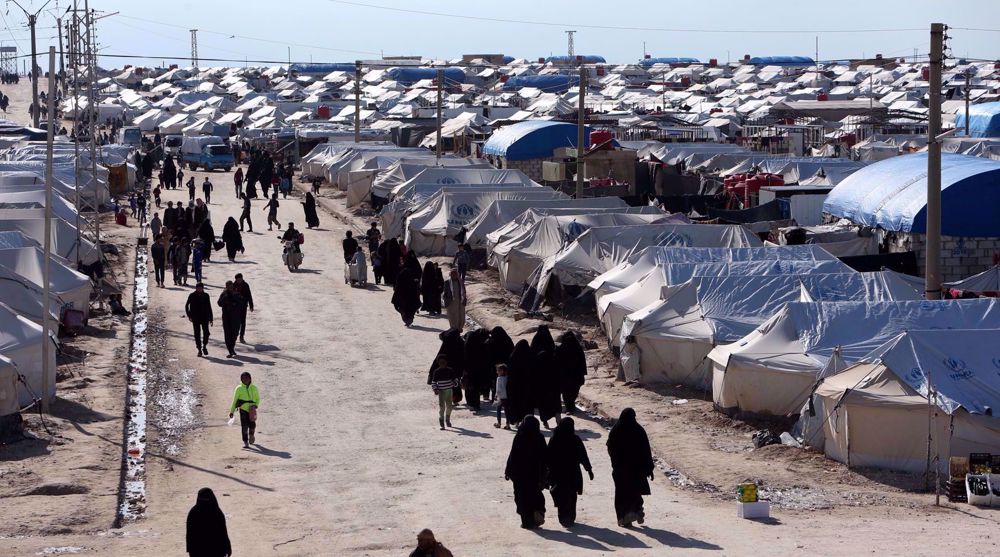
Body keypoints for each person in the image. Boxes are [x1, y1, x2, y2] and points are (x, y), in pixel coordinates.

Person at [606, 408, 655, 528]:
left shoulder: (616, 430)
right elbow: (646, 451)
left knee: (622, 494)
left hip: (620, 469)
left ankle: (625, 518)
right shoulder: (639, 430)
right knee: (635, 491)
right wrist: (649, 468)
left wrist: (615, 462)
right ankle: (637, 510)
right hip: (637, 469)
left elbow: (610, 447)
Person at [546, 417, 594, 528]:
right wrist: (589, 470)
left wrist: (546, 472)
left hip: (557, 473)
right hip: (573, 473)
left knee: (561, 495)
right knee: (571, 496)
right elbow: (583, 456)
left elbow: (548, 457)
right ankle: (570, 518)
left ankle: (563, 518)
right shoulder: (575, 439)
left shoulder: (555, 438)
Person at [505, 415, 547, 529]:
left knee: (522, 498)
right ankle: (534, 518)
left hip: (520, 476)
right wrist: (544, 476)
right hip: (534, 476)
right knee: (534, 497)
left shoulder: (520, 437)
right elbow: (545, 459)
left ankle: (527, 521)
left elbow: (512, 456)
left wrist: (508, 471)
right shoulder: (539, 438)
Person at [185, 488, 232, 557]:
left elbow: (189, 535)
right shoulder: (217, 512)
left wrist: (190, 550)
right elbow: (223, 532)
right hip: (216, 551)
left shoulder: (193, 512)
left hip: (198, 552)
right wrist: (227, 547)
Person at [555, 331, 587, 414]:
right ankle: (570, 407)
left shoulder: (561, 349)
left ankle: (570, 407)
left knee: (567, 393)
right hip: (575, 377)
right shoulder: (578, 348)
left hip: (566, 376)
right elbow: (582, 363)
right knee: (572, 393)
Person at [229, 371, 260, 448]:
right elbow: (235, 400)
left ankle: (251, 434)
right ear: (241, 380)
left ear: (250, 379)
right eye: (243, 379)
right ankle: (245, 441)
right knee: (244, 426)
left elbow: (257, 398)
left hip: (252, 409)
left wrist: (256, 405)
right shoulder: (239, 388)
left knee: (252, 424)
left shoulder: (254, 388)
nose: (245, 380)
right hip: (243, 409)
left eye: (247, 378)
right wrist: (231, 411)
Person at [462, 328, 491, 412]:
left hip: (469, 369)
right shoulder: (479, 342)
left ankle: (471, 404)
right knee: (475, 388)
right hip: (477, 369)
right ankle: (475, 404)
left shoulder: (470, 341)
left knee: (470, 388)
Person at [428, 354, 458, 430]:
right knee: (442, 407)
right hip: (441, 392)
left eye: (443, 362)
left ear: (446, 362)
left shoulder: (450, 370)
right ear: (438, 363)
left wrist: (455, 383)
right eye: (441, 362)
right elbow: (434, 382)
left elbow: (455, 379)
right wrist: (435, 389)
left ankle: (447, 419)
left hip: (449, 391)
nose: (442, 364)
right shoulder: (437, 372)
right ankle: (441, 420)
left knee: (449, 406)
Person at [506, 340, 532, 426]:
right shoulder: (529, 355)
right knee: (525, 402)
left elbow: (510, 370)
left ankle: (516, 420)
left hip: (514, 384)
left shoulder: (513, 356)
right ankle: (525, 421)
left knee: (515, 402)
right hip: (526, 384)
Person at [217, 281, 245, 358]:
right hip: (226, 317)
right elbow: (219, 303)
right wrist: (225, 298)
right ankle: (230, 350)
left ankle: (232, 347)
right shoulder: (224, 294)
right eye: (228, 286)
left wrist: (236, 301)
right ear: (226, 287)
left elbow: (242, 303)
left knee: (235, 333)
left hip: (236, 317)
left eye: (231, 286)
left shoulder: (237, 293)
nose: (230, 288)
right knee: (228, 334)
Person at [185, 283, 213, 357]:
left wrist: (211, 318)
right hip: (195, 318)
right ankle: (199, 349)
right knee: (197, 334)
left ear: (203, 288)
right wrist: (189, 315)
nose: (199, 289)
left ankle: (204, 346)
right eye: (198, 288)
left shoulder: (206, 296)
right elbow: (187, 305)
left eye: (201, 288)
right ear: (196, 288)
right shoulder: (192, 295)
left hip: (204, 317)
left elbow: (209, 306)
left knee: (206, 333)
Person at [391, 262, 421, 326]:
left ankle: (407, 319)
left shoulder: (401, 274)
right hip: (410, 297)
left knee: (402, 308)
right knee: (410, 308)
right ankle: (409, 319)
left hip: (402, 296)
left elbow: (397, 284)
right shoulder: (412, 276)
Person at [233, 273, 254, 343]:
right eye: (238, 280)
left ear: (242, 278)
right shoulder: (233, 285)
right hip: (235, 307)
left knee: (243, 322)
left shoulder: (246, 285)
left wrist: (251, 305)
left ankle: (241, 336)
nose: (239, 281)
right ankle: (236, 334)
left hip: (243, 306)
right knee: (236, 322)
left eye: (240, 279)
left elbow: (249, 295)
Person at [494, 363, 511, 429]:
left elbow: (498, 389)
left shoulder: (499, 378)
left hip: (500, 397)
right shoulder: (507, 378)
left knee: (498, 410)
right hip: (506, 396)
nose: (497, 372)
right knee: (507, 411)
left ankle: (499, 423)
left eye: (498, 370)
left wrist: (496, 395)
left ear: (502, 371)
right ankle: (508, 424)